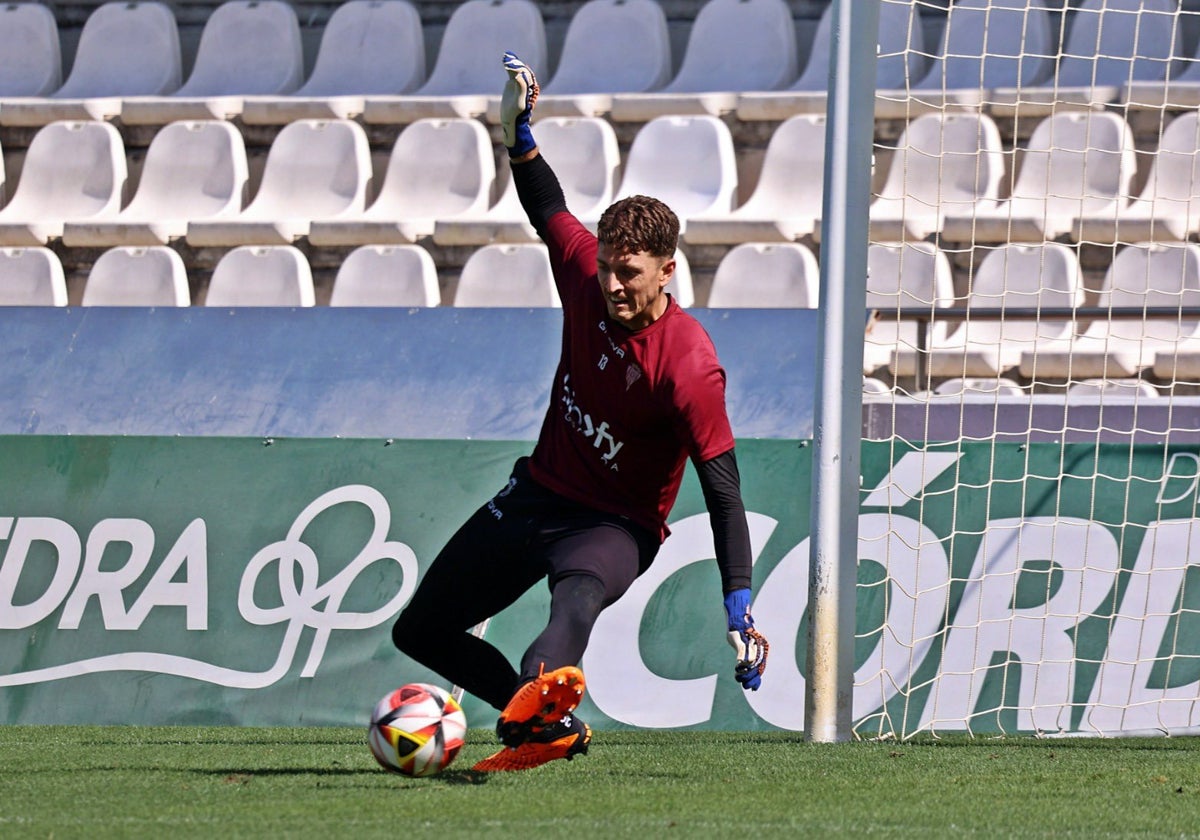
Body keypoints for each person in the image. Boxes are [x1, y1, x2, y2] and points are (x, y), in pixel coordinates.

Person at [391, 52, 768, 773]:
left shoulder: (689, 365)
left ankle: (540, 702)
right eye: (608, 267)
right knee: (422, 631)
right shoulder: (586, 274)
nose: (615, 284)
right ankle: (536, 724)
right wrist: (516, 136)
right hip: (537, 493)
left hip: (612, 526)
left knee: (568, 620)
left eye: (631, 272)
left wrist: (738, 602)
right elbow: (549, 211)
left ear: (667, 270)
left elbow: (723, 489)